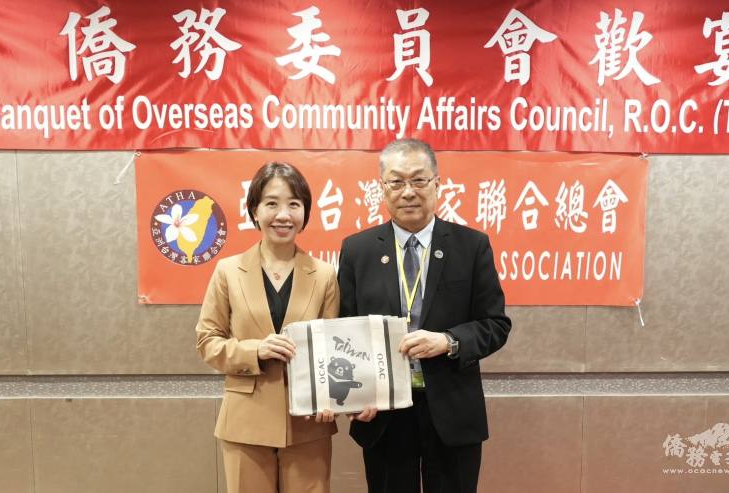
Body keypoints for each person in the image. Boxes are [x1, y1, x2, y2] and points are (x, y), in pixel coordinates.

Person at [338, 138, 511, 493]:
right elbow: (346, 328)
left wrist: (448, 341)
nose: (408, 192)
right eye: (397, 182)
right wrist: (357, 395)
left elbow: (495, 324)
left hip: (451, 408)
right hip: (384, 412)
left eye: (419, 180)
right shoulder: (358, 250)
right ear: (382, 188)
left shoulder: (471, 246)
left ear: (437, 184)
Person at [196, 162, 338, 493]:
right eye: (272, 203)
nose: (283, 215)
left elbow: (332, 348)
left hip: (307, 423)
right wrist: (254, 350)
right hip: (245, 421)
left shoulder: (325, 274)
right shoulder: (228, 271)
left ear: (305, 212)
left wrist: (330, 396)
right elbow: (207, 341)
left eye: (294, 204)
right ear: (254, 211)